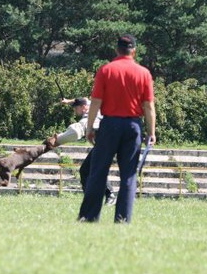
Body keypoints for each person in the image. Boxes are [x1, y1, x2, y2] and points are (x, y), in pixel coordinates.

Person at [78, 34, 156, 223]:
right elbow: (149, 106)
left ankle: (89, 217)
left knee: (98, 171)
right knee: (128, 175)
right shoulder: (144, 73)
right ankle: (122, 219)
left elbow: (96, 102)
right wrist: (151, 132)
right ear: (134, 51)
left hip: (110, 125)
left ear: (116, 50)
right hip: (133, 126)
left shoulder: (106, 70)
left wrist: (89, 128)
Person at [49, 97, 117, 205]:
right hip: (108, 141)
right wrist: (68, 101)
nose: (75, 111)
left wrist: (59, 139)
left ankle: (110, 195)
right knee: (85, 170)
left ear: (83, 107)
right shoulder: (94, 107)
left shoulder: (88, 117)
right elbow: (84, 98)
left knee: (96, 170)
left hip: (105, 143)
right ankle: (90, 199)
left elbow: (76, 132)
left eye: (76, 108)